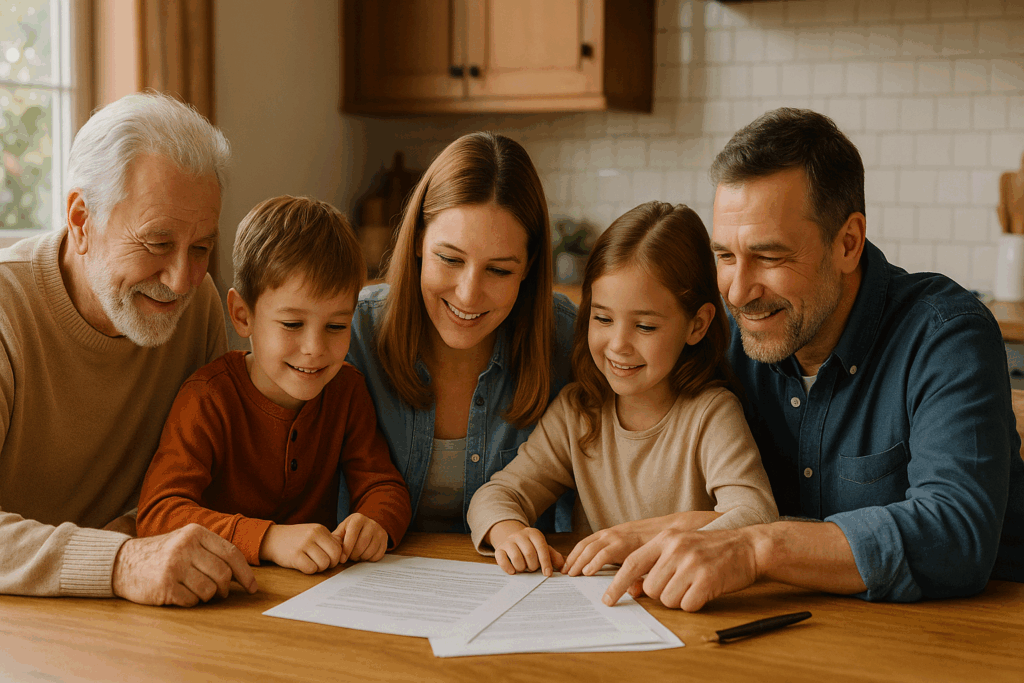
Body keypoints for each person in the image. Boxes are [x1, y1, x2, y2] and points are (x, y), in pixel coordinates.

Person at [605, 108, 1024, 611]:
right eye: (726, 256)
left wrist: (756, 545)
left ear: (847, 243)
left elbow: (956, 535)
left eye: (770, 257)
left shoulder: (945, 335)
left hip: (953, 637)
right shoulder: (727, 335)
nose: (739, 292)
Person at [0, 91, 257, 605]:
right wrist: (120, 561)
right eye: (157, 244)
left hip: (137, 615)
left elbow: (204, 479)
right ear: (81, 221)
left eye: (201, 247)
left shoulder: (198, 305)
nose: (181, 280)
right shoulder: (8, 311)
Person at [467, 202, 777, 577]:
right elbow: (495, 495)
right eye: (602, 318)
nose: (617, 345)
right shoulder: (577, 413)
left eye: (645, 327)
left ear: (697, 325)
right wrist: (508, 531)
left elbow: (755, 515)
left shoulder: (711, 413)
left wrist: (641, 536)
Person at [137, 196, 412, 574]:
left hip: (314, 594)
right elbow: (158, 514)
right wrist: (269, 539)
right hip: (220, 597)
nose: (315, 350)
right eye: (292, 324)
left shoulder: (347, 391)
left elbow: (385, 487)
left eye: (336, 326)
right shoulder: (207, 397)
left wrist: (376, 522)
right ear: (242, 315)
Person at [346, 132, 576, 533]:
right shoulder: (355, 332)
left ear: (529, 264)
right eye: (450, 259)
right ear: (418, 239)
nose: (468, 294)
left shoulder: (568, 339)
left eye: (499, 270)